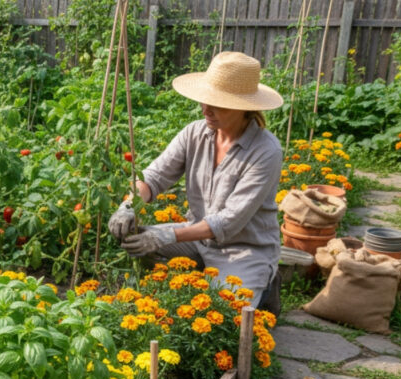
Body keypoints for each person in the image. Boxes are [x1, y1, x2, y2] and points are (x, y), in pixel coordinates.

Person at [108, 51, 284, 313]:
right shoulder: (195, 133)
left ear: (243, 107)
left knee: (225, 316)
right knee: (138, 241)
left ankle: (265, 285)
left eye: (218, 104)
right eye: (205, 100)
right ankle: (202, 276)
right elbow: (154, 177)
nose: (206, 109)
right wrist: (129, 205)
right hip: (197, 238)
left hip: (243, 249)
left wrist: (167, 235)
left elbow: (229, 220)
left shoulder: (265, 151)